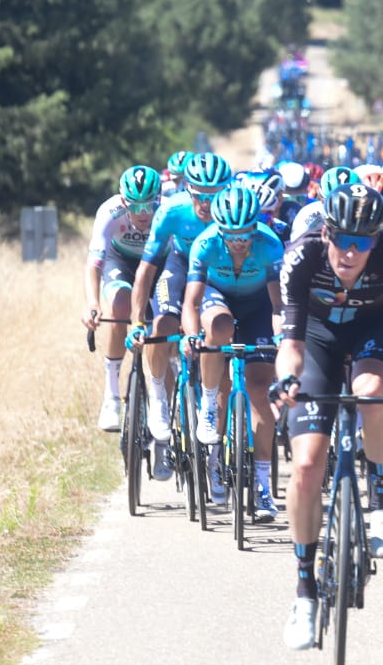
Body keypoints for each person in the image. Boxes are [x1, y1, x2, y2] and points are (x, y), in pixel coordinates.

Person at [273, 183, 383, 649]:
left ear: (377, 239)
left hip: (372, 334)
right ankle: (304, 592)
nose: (351, 251)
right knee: (304, 465)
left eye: (363, 242)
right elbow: (292, 344)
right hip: (317, 339)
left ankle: (380, 503)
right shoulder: (301, 259)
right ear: (327, 234)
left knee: (373, 392)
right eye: (343, 239)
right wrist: (287, 381)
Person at [130, 153, 234, 494]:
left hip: (214, 276)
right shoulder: (172, 211)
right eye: (199, 195)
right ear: (187, 190)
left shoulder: (235, 212)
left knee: (221, 362)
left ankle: (216, 460)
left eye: (213, 195)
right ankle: (159, 398)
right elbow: (146, 270)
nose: (206, 203)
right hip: (177, 269)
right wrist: (135, 322)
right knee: (162, 325)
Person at [181, 187, 285, 522]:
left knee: (259, 390)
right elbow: (191, 304)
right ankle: (209, 405)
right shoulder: (206, 243)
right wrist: (193, 335)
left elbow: (279, 305)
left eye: (246, 235)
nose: (240, 243)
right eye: (232, 235)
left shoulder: (269, 245)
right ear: (220, 228)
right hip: (217, 298)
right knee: (219, 327)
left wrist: (282, 337)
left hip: (258, 307)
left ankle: (263, 488)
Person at [82, 166, 162, 434]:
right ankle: (112, 396)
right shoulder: (109, 211)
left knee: (162, 320)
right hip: (121, 261)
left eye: (149, 205)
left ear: (159, 199)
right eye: (135, 205)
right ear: (123, 201)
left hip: (157, 264)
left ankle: (165, 393)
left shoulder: (167, 212)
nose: (142, 213)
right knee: (119, 306)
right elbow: (94, 264)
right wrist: (93, 303)